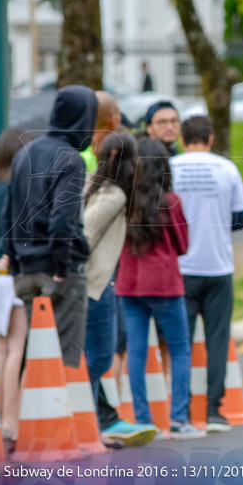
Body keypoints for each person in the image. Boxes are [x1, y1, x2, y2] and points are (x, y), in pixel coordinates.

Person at [1, 85, 97, 369]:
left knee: (37, 362)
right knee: (63, 363)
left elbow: (9, 214)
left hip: (26, 270)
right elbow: (63, 219)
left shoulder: (24, 154)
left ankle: (31, 415)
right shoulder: (71, 159)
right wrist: (59, 269)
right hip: (59, 273)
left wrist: (17, 264)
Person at [117, 137, 204, 440]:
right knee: (180, 349)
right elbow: (183, 244)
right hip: (165, 284)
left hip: (129, 283)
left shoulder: (124, 200)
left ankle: (143, 419)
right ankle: (179, 420)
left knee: (137, 352)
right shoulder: (171, 202)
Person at [170, 115, 243, 433]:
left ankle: (183, 412)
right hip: (218, 266)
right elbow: (240, 219)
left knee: (182, 344)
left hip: (182, 268)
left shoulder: (171, 168)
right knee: (217, 341)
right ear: (211, 138)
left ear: (182, 138)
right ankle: (214, 411)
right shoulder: (226, 169)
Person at [82, 131, 157, 448]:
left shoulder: (97, 186)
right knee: (98, 358)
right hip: (95, 286)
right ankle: (90, 419)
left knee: (93, 357)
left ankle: (101, 416)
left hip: (93, 283)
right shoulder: (113, 196)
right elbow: (85, 233)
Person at [0, 128, 29, 456]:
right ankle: (11, 420)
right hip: (14, 271)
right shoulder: (17, 189)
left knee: (1, 348)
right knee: (16, 348)